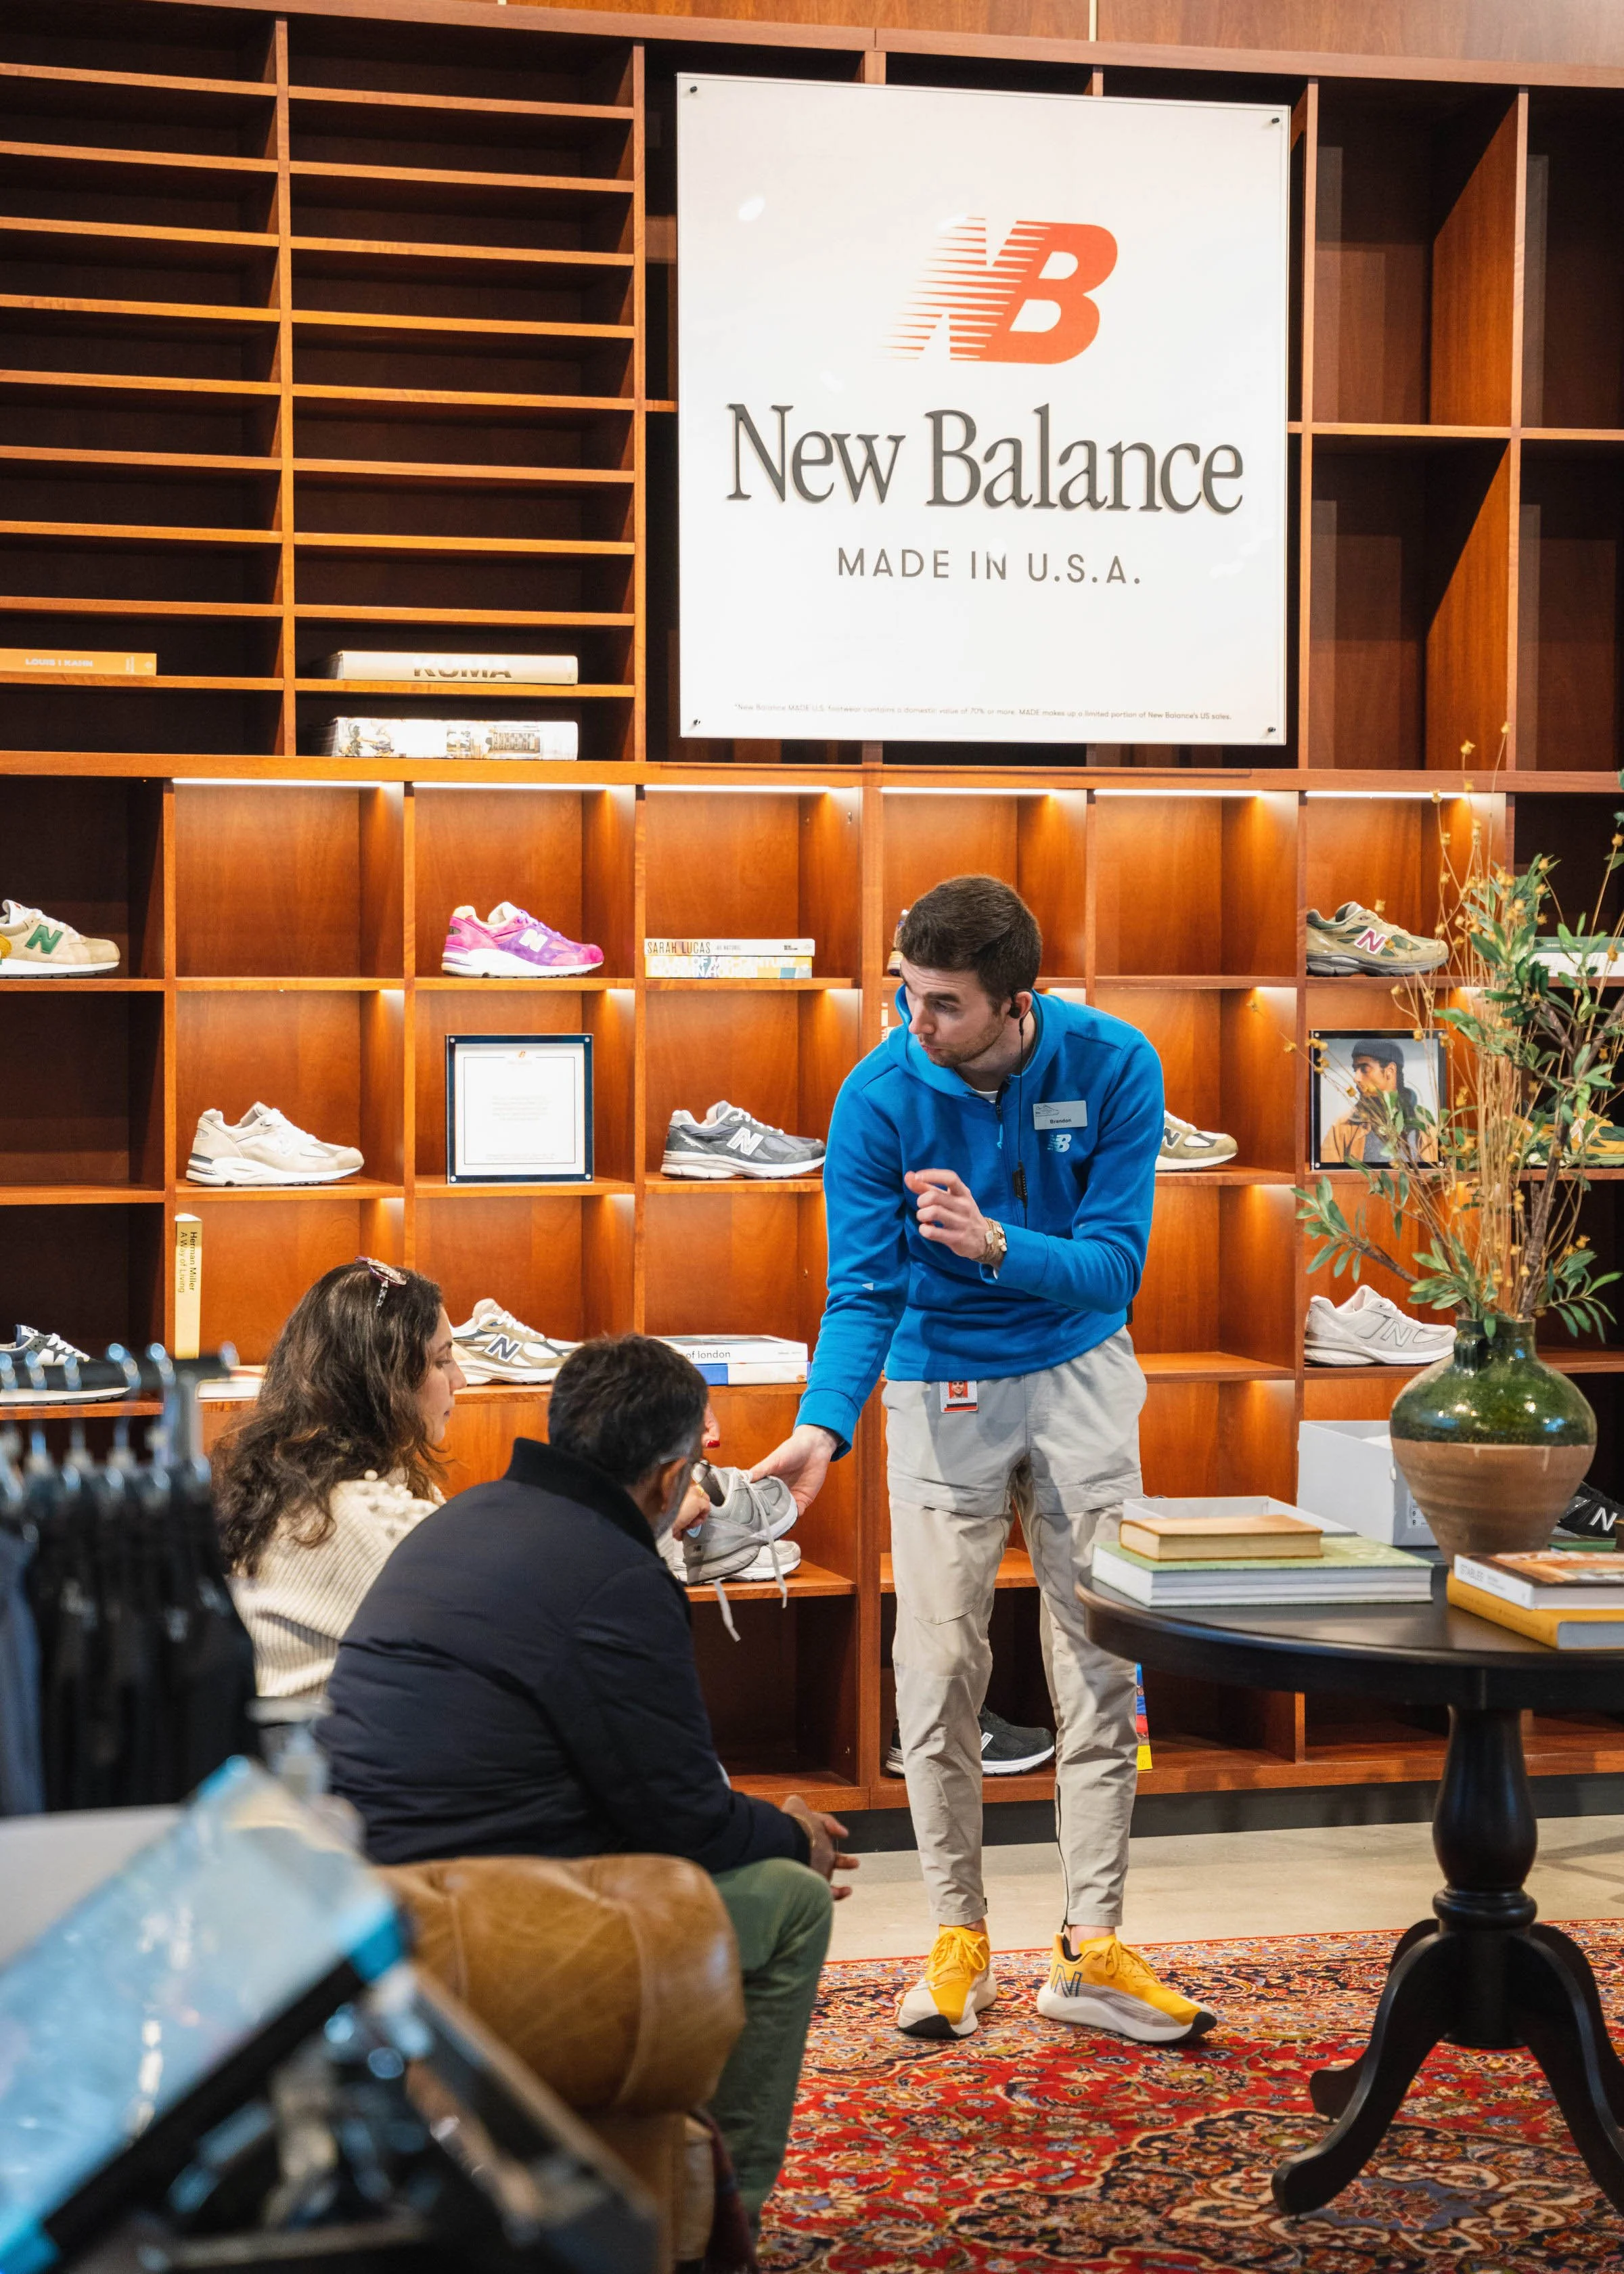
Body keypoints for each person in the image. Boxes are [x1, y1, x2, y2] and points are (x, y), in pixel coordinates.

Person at [752, 874, 1215, 2048]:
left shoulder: (1116, 1064)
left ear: (1019, 1003)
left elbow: (1114, 1270)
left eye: (945, 1005)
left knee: (1102, 1663)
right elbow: (861, 1288)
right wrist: (823, 1425)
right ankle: (957, 1940)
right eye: (907, 994)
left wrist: (1000, 1244)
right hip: (937, 1384)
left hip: (1082, 1374)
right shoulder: (877, 1093)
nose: (917, 1024)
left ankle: (1090, 1945)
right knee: (937, 1665)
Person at [322, 1333, 855, 2226]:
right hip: (475, 1931)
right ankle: (717, 2222)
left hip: (362, 1905)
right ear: (666, 1479)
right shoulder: (617, 1576)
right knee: (792, 1902)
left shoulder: (466, 1516)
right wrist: (792, 1831)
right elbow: (688, 1821)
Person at [217, 1258, 465, 1705]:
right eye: (442, 1360)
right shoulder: (348, 1515)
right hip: (323, 1764)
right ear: (386, 1380)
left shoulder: (293, 1480)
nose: (459, 1380)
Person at [1320, 1035, 1439, 1165]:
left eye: (1364, 1069)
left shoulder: (1424, 1126)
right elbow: (1328, 1178)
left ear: (1390, 1071)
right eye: (1355, 1070)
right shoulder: (1343, 1127)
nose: (1356, 1078)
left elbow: (1439, 1181)